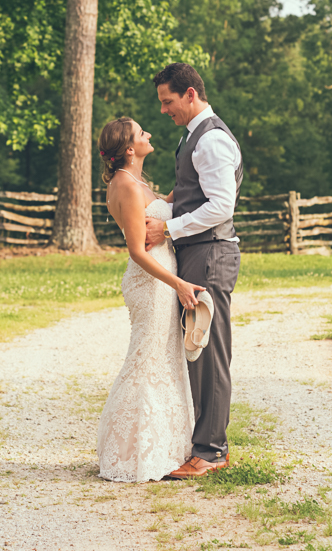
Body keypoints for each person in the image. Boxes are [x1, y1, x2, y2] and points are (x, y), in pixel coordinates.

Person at [144, 63, 243, 479]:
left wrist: (167, 226)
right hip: (199, 251)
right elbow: (191, 194)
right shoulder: (193, 136)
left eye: (168, 101)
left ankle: (211, 452)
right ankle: (206, 444)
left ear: (189, 94)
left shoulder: (212, 139)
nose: (164, 110)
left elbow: (221, 206)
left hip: (211, 253)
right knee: (196, 350)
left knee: (208, 351)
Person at [95, 117, 203, 482]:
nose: (149, 135)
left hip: (161, 278)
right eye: (142, 133)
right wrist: (179, 284)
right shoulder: (125, 185)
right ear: (129, 149)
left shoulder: (137, 183)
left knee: (163, 358)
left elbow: (159, 208)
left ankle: (165, 443)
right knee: (146, 360)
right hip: (151, 281)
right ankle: (132, 451)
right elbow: (138, 251)